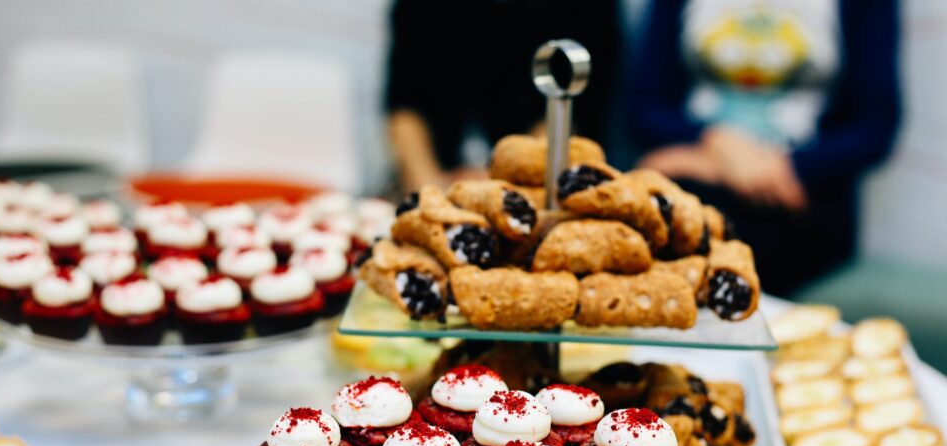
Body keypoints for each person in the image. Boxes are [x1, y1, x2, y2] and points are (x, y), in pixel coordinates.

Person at [628, 0, 901, 295]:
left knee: (718, 252)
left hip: (797, 196)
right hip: (694, 185)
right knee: (668, 228)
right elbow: (643, 109)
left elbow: (874, 130)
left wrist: (763, 167)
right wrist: (720, 145)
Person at [385, 0, 623, 192]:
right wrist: (428, 188)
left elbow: (570, 105)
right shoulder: (419, 8)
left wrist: (506, 186)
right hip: (440, 174)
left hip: (536, 182)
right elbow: (405, 103)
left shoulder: (582, 9)